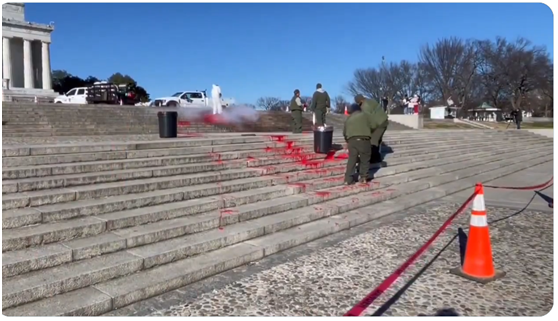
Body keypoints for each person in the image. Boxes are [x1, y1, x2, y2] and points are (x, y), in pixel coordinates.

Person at [343, 103, 373, 185]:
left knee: (352, 160)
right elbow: (373, 126)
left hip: (352, 141)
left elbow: (344, 132)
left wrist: (347, 141)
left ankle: (348, 179)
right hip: (364, 139)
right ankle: (363, 177)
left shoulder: (348, 119)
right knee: (365, 159)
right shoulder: (366, 115)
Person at [355, 94, 388, 164]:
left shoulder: (365, 106)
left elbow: (368, 119)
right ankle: (377, 158)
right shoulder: (371, 101)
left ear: (360, 101)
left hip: (379, 124)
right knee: (377, 140)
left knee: (373, 142)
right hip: (384, 121)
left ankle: (373, 159)